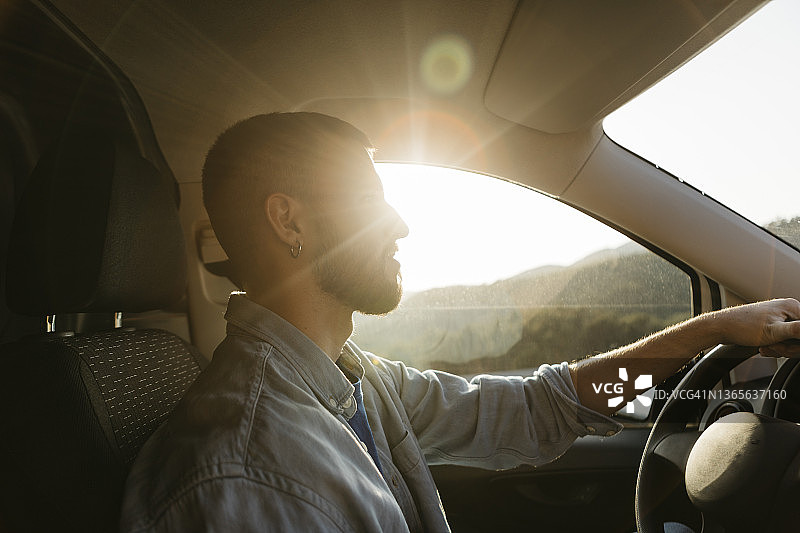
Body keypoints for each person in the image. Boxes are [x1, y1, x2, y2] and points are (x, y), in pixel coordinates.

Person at [120, 112, 800, 532]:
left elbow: (539, 407)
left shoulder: (354, 379)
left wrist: (713, 329)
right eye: (367, 200)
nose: (400, 223)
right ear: (287, 220)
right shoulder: (245, 474)